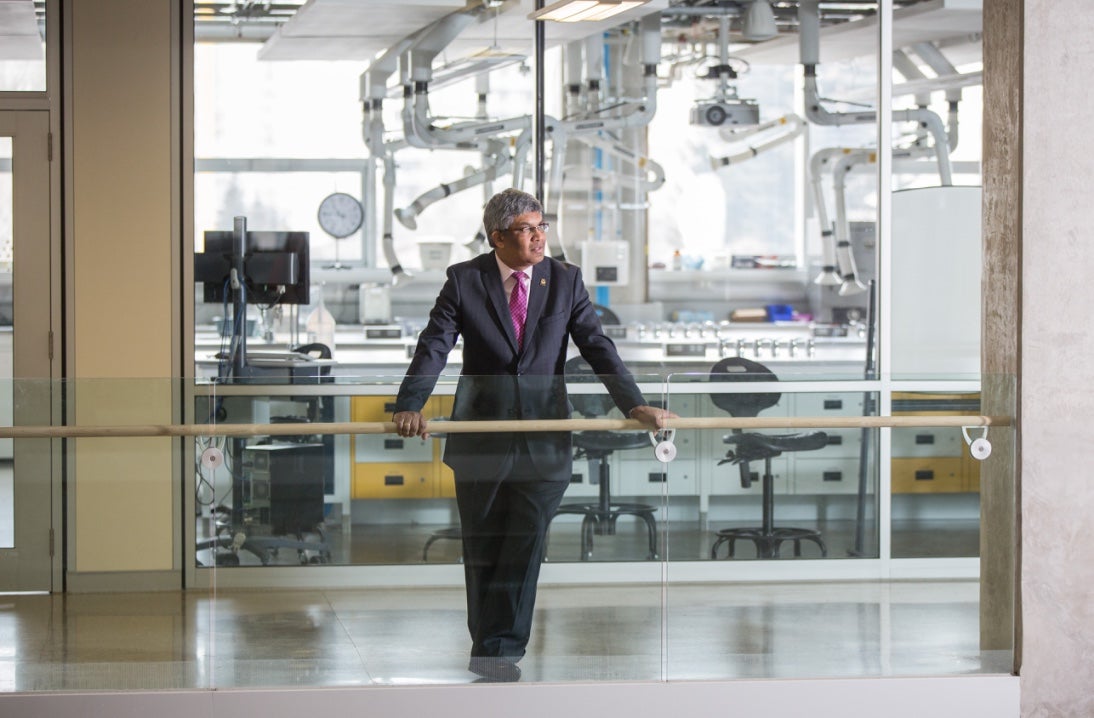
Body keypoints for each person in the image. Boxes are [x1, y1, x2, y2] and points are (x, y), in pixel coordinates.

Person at [392, 188, 673, 682]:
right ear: (497, 236)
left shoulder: (564, 279)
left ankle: (501, 650)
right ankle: (486, 643)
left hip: (543, 435)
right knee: (482, 547)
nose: (539, 237)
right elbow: (434, 345)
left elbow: (597, 346)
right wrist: (410, 404)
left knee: (523, 543)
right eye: (527, 229)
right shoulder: (465, 280)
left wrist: (633, 402)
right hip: (483, 434)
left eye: (542, 226)